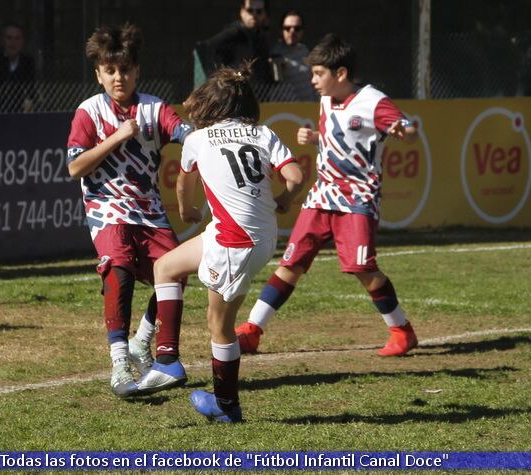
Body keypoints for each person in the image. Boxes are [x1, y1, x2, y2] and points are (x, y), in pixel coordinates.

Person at [135, 65, 304, 423]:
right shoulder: (262, 133)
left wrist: (187, 210)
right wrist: (285, 200)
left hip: (234, 240)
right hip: (254, 235)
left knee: (219, 325)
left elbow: (184, 184)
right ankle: (166, 358)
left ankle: (226, 407)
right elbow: (295, 176)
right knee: (165, 266)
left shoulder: (197, 139)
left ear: (212, 104)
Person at [235, 33, 420, 357]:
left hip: (358, 197)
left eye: (319, 73)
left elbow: (409, 129)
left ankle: (401, 331)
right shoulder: (326, 100)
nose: (313, 80)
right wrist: (316, 137)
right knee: (291, 261)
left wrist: (403, 130)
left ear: (341, 74)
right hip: (323, 194)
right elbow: (344, 136)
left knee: (363, 268)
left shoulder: (373, 101)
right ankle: (252, 331)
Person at [66, 24, 192, 398]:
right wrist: (118, 136)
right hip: (107, 210)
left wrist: (203, 134)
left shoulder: (154, 108)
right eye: (110, 70)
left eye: (126, 69)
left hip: (150, 212)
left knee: (178, 272)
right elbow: (75, 167)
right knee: (117, 271)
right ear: (99, 74)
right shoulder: (89, 112)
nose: (119, 77)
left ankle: (143, 340)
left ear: (137, 71)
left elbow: (183, 131)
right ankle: (120, 362)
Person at [197, 0, 272, 84]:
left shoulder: (259, 36)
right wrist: (229, 75)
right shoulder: (234, 33)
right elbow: (206, 48)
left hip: (256, 90)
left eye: (259, 11)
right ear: (242, 11)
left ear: (264, 13)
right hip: (234, 88)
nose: (254, 15)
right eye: (250, 10)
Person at [268, 10, 316, 102]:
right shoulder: (275, 53)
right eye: (287, 28)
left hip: (310, 108)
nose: (292, 31)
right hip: (288, 110)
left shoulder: (304, 49)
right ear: (281, 30)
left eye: (297, 28)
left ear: (302, 31)